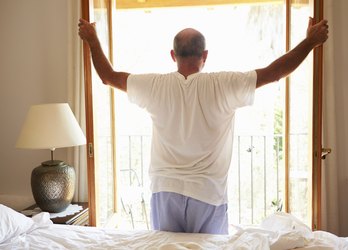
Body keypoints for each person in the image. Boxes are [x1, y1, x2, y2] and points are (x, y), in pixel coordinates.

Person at [78, 17, 328, 234]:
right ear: (205, 56)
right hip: (207, 194)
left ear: (173, 56)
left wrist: (92, 39)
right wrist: (309, 42)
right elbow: (274, 72)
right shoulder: (224, 84)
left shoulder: (153, 86)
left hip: (165, 191)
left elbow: (107, 76)